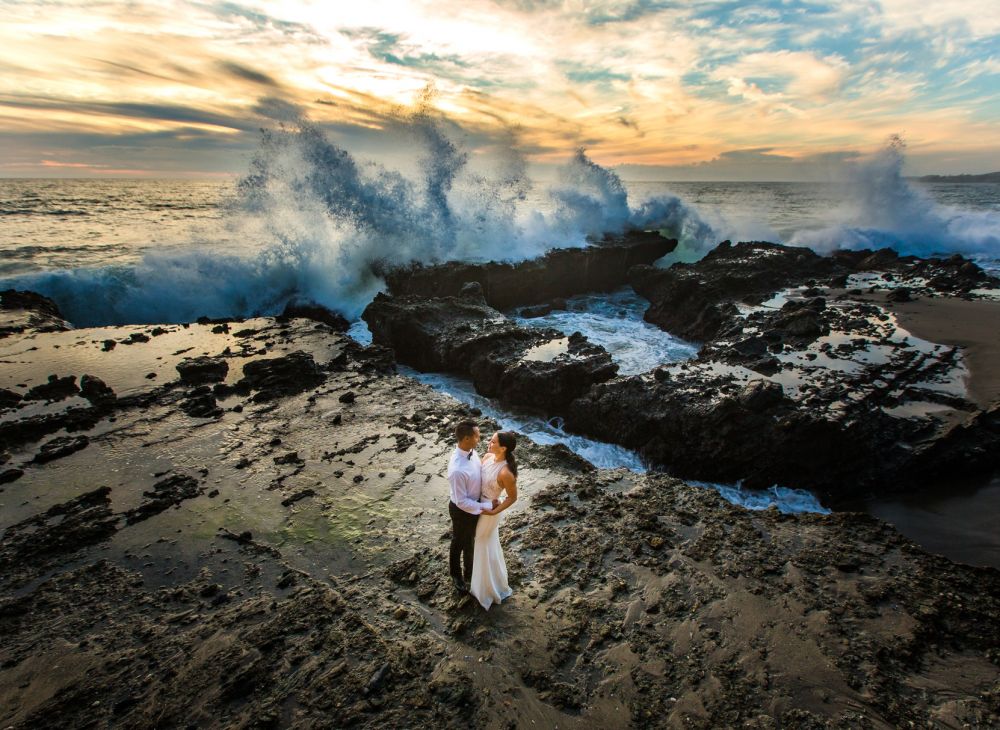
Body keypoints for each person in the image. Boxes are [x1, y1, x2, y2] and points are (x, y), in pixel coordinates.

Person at [446, 421, 498, 594]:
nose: (479, 438)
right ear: (467, 438)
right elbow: (461, 502)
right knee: (458, 542)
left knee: (470, 541)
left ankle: (470, 572)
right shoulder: (457, 470)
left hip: (475, 505)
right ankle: (456, 575)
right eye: (477, 435)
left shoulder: (471, 451)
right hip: (461, 511)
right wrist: (486, 505)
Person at [469, 431, 518, 610]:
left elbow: (512, 498)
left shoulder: (506, 473)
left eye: (493, 441)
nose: (489, 443)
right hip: (476, 505)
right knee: (488, 544)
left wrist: (494, 510)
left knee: (481, 543)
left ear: (503, 448)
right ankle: (493, 579)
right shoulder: (487, 456)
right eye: (490, 439)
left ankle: (484, 589)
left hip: (489, 511)